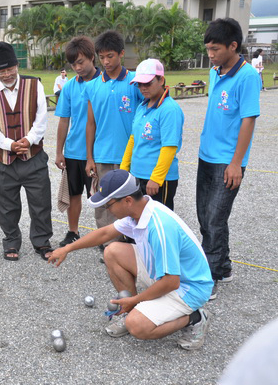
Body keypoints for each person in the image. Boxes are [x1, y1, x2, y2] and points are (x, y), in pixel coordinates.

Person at [48, 170, 214, 350]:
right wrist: (67, 248)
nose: (106, 209)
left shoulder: (159, 227)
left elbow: (171, 282)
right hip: (165, 273)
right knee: (112, 251)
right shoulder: (137, 213)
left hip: (188, 287)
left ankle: (195, 318)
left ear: (127, 200)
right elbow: (105, 233)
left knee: (136, 326)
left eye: (108, 205)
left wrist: (135, 301)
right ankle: (135, 309)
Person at [197, 18, 261, 299]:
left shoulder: (247, 76)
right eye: (208, 49)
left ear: (233, 46)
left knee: (215, 218)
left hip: (228, 161)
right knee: (205, 216)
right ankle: (222, 266)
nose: (210, 54)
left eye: (215, 49)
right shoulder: (215, 72)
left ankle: (208, 277)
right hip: (205, 155)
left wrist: (236, 163)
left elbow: (248, 121)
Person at [0, 42, 54, 261]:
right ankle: (11, 241)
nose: (6, 74)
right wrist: (9, 145)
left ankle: (42, 242)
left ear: (17, 65)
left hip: (33, 156)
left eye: (10, 69)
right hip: (3, 159)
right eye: (1, 71)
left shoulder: (35, 85)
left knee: (40, 202)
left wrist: (28, 140)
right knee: (6, 205)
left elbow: (42, 118)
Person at [85, 30, 143, 251]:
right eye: (102, 57)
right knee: (104, 203)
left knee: (131, 201)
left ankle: (134, 244)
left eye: (110, 56)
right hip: (102, 155)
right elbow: (90, 124)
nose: (106, 61)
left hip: (129, 156)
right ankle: (108, 244)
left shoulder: (135, 83)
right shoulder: (92, 86)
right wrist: (89, 157)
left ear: (121, 54)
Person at [120, 58, 184, 210]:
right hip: (137, 175)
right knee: (138, 222)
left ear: (161, 80)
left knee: (157, 223)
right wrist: (124, 168)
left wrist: (156, 178)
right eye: (139, 84)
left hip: (157, 180)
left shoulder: (169, 110)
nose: (143, 88)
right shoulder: (142, 106)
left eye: (148, 83)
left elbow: (169, 147)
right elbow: (133, 139)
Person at [54, 36, 100, 247]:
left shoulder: (105, 83)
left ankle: (106, 237)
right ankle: (73, 231)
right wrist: (59, 151)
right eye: (73, 64)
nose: (77, 67)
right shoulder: (70, 87)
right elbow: (64, 120)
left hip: (100, 152)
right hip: (73, 151)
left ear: (92, 57)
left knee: (103, 196)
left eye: (81, 62)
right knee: (73, 194)